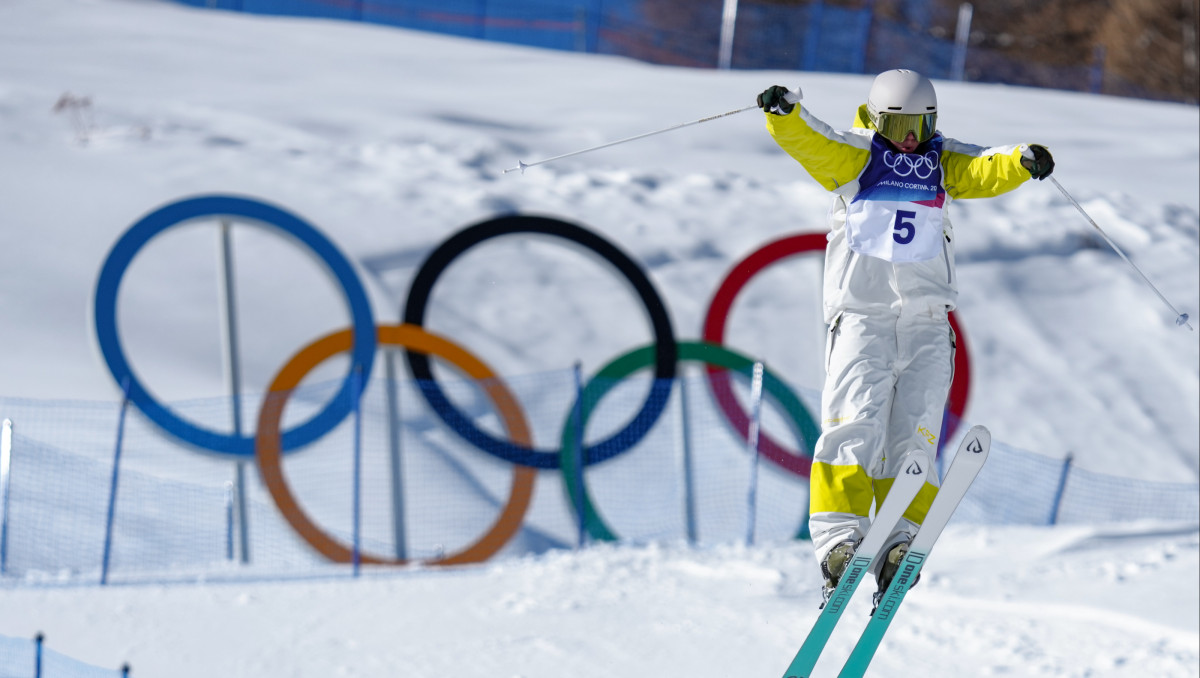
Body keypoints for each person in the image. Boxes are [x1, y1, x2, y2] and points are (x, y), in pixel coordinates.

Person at [755, 70, 1053, 607]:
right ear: (876, 118)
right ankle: (839, 544)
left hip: (927, 323)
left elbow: (986, 166)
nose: (910, 137)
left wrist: (1023, 160)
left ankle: (900, 542)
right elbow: (812, 140)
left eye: (919, 124)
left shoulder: (942, 164)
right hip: (862, 318)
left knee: (915, 438)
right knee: (854, 426)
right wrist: (785, 114)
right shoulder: (857, 156)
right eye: (898, 124)